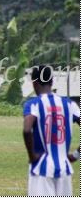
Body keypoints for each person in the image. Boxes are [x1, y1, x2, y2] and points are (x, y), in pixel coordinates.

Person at [23, 65, 80, 196]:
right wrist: (76, 154)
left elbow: (27, 130)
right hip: (64, 168)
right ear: (52, 81)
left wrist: (32, 156)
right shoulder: (70, 104)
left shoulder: (33, 104)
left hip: (41, 168)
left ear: (34, 83)